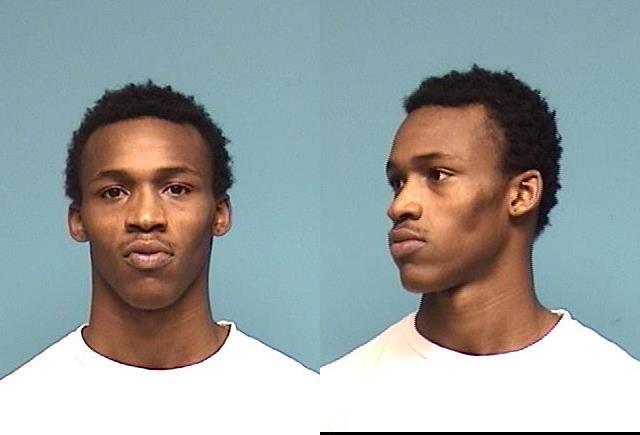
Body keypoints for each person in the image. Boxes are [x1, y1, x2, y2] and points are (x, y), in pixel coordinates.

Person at [321, 65, 640, 431]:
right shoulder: (335, 399)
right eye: (398, 182)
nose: (400, 205)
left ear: (521, 195)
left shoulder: (621, 399)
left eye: (437, 175)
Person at [0, 82, 316, 434]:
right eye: (114, 192)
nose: (146, 217)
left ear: (219, 214)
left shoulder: (304, 408)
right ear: (78, 220)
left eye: (176, 189)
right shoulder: (14, 412)